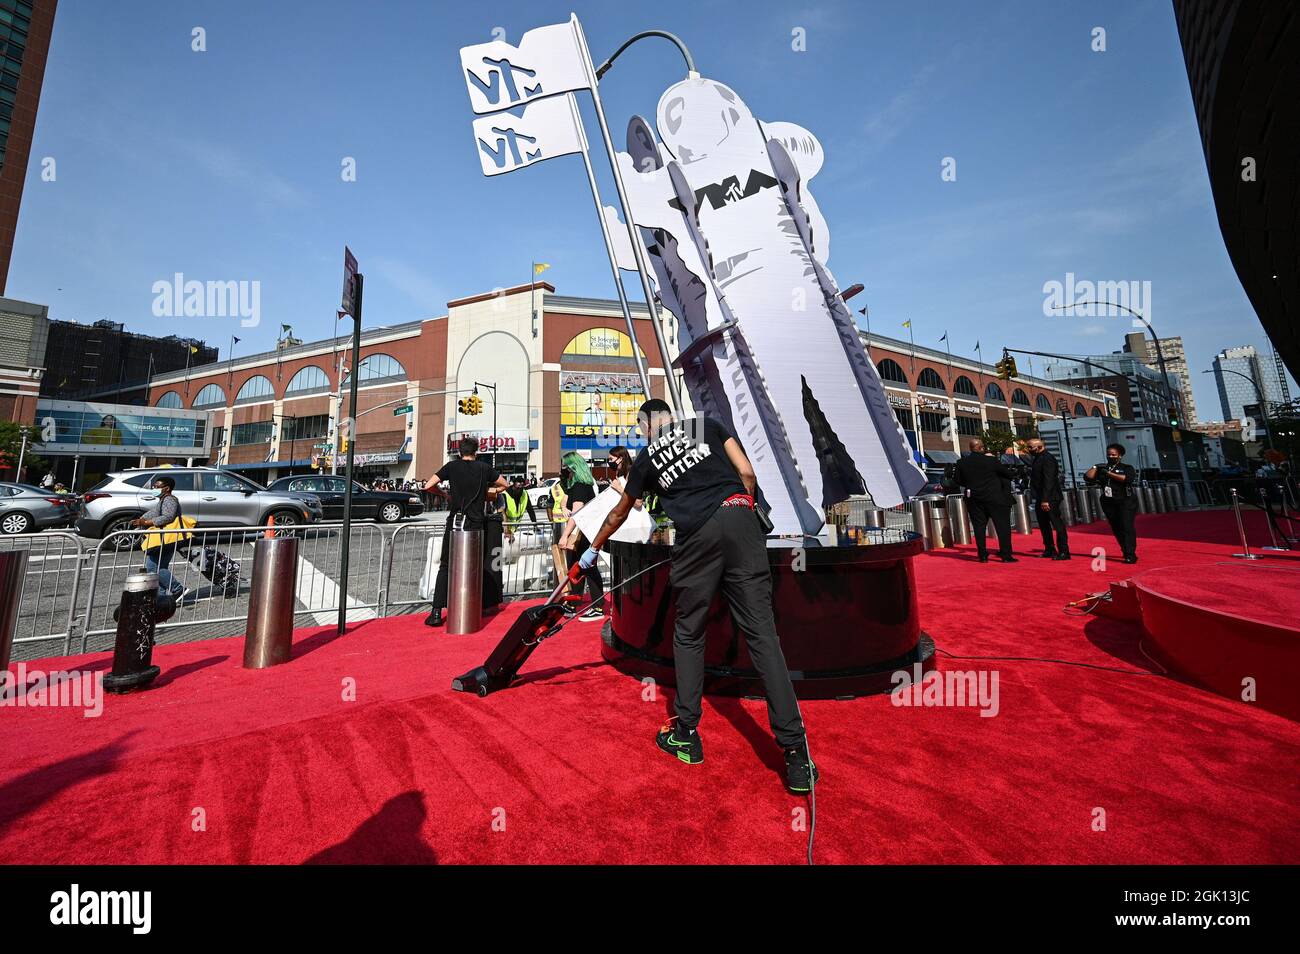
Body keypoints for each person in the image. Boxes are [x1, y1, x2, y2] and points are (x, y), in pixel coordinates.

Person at [578, 399, 818, 794]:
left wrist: (594, 547)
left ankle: (687, 734)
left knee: (689, 632)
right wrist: (743, 516)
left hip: (698, 535)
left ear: (646, 426)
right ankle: (796, 755)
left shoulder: (646, 458)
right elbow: (746, 472)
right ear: (672, 417)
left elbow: (621, 512)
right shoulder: (707, 426)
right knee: (762, 635)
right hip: (740, 515)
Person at [423, 436, 508, 627]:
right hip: (476, 523)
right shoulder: (484, 468)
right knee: (473, 566)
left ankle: (436, 612)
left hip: (455, 522)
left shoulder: (451, 467)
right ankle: (472, 608)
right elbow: (505, 485)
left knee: (446, 564)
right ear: (476, 452)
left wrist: (445, 494)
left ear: (459, 452)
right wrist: (487, 494)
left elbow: (428, 485)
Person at [557, 452, 605, 622]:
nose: (563, 469)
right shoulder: (583, 485)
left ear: (572, 467)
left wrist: (565, 535)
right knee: (579, 567)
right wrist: (564, 507)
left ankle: (596, 606)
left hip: (582, 534)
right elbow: (566, 502)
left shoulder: (579, 486)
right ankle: (575, 604)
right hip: (587, 533)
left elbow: (577, 513)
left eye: (565, 466)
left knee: (585, 568)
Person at [953, 438, 1018, 563]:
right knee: (1002, 526)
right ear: (981, 448)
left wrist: (971, 483)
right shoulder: (991, 461)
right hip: (994, 497)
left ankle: (982, 554)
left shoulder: (962, 462)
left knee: (979, 526)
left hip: (974, 498)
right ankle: (1006, 554)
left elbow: (958, 480)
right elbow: (1008, 474)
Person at [131, 475, 187, 603]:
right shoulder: (162, 500)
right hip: (164, 538)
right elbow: (154, 512)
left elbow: (168, 517)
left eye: (157, 486)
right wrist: (140, 520)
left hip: (166, 538)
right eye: (154, 486)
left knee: (152, 568)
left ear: (166, 488)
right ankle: (161, 599)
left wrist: (146, 523)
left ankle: (178, 590)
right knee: (159, 567)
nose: (154, 488)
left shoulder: (169, 500)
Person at [1087, 443, 1139, 564]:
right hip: (1109, 501)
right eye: (1109, 454)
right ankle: (1125, 549)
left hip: (1125, 500)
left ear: (1120, 455)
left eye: (1113, 455)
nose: (1110, 456)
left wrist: (1109, 474)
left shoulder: (1127, 467)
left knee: (1127, 526)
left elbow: (1127, 479)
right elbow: (1088, 477)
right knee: (1116, 527)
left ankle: (1130, 554)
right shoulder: (1103, 468)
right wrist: (1095, 467)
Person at [1027, 438, 1069, 560]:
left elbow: (1049, 480)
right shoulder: (1037, 458)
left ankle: (1064, 551)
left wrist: (1045, 499)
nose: (1029, 450)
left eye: (1031, 447)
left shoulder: (1048, 459)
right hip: (1041, 496)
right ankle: (1049, 549)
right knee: (1043, 524)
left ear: (1039, 447)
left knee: (1056, 524)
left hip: (1050, 497)